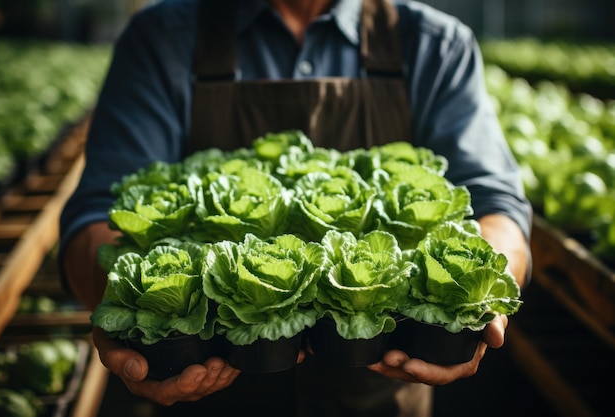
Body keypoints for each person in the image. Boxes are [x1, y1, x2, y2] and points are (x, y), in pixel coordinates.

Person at [59, 0, 532, 416]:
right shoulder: (160, 38)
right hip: (210, 399)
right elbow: (97, 215)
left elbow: (496, 204)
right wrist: (128, 305)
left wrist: (475, 297)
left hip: (382, 402)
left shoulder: (437, 44)